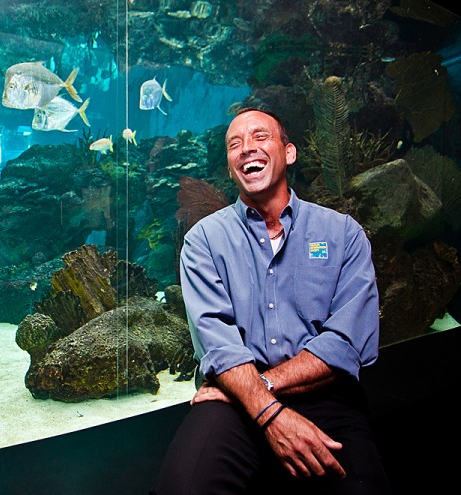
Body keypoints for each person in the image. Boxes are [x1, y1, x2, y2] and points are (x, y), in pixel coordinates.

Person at [151, 108, 391, 494]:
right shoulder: (202, 242)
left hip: (322, 395)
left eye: (260, 137)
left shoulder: (343, 233)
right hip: (232, 401)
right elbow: (219, 343)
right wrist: (268, 413)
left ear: (289, 152)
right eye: (235, 144)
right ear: (230, 167)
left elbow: (347, 342)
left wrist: (262, 390)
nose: (247, 149)